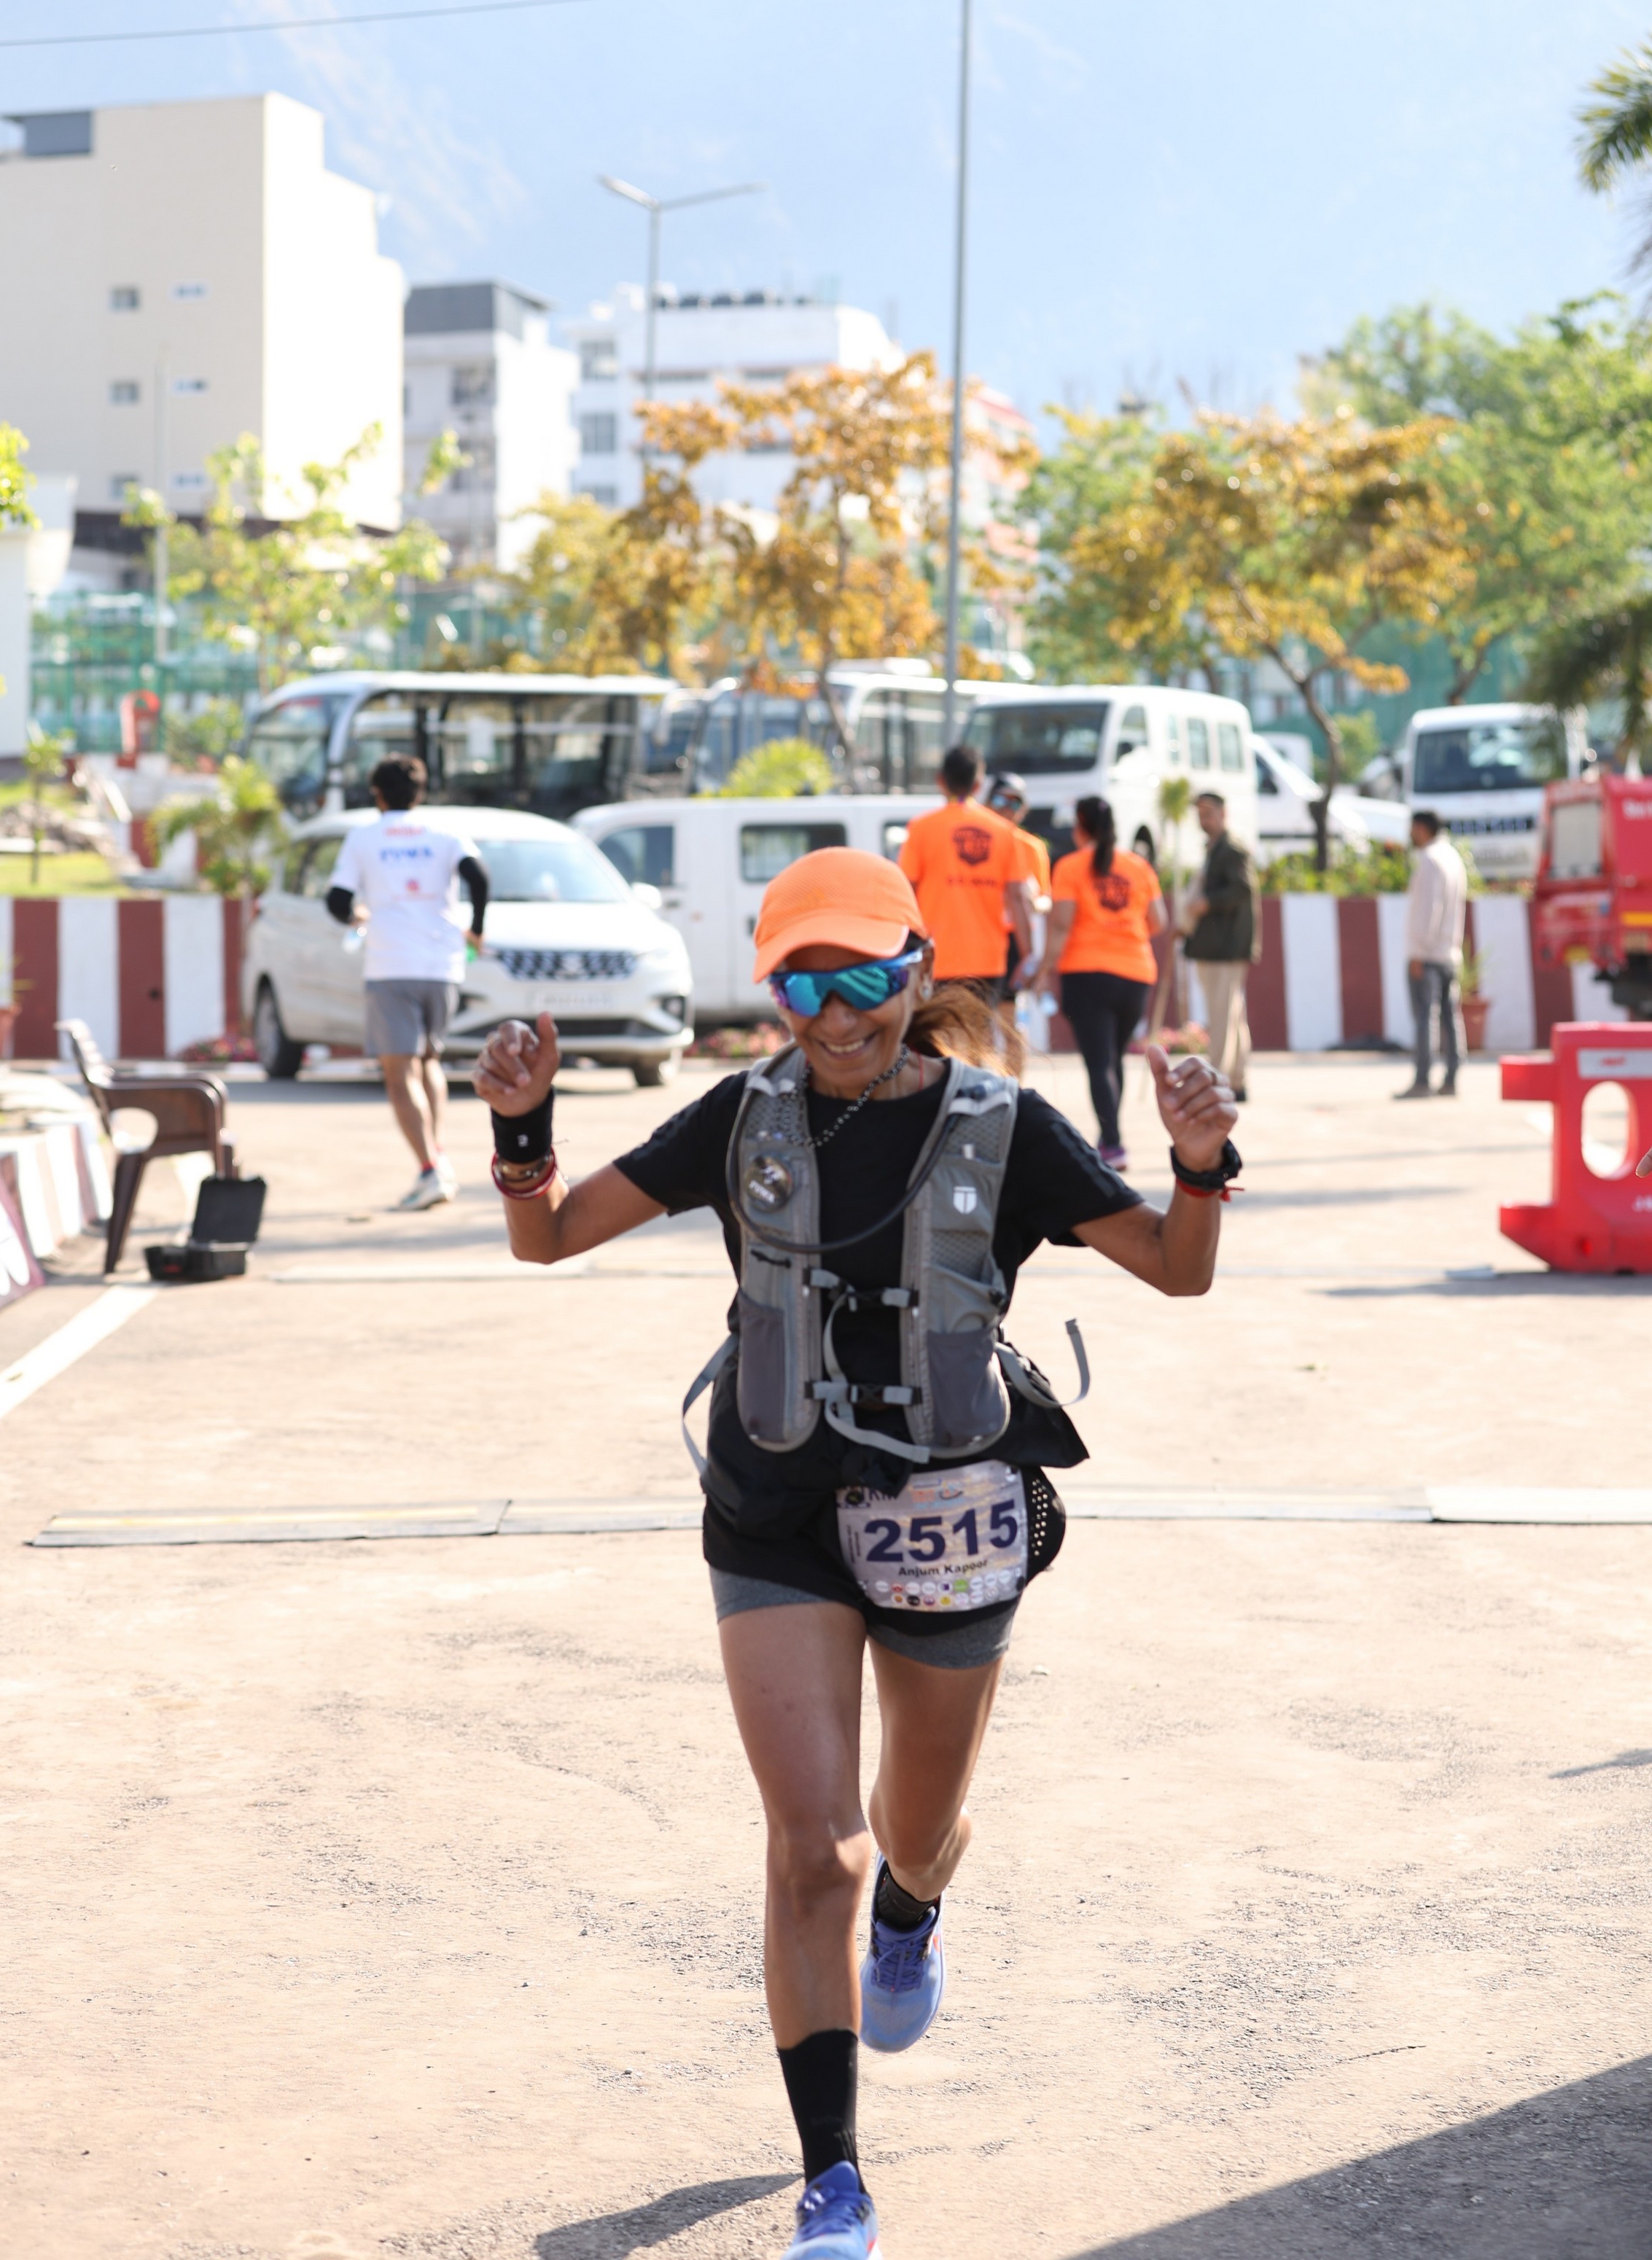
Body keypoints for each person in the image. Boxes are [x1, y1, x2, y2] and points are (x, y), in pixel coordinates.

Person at [477, 846, 1239, 2260]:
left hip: (950, 1507)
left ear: (918, 972)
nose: (838, 1016)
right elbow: (551, 1238)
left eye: (868, 980)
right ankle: (832, 2178)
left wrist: (1201, 1165)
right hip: (774, 1508)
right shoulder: (741, 1117)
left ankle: (915, 1910)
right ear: (772, 992)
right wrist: (525, 1127)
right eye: (805, 987)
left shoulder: (1004, 1126)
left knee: (913, 1831)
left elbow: (1176, 1268)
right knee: (809, 1847)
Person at [326, 753, 488, 1208]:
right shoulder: (445, 833)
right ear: (420, 792)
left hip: (391, 964)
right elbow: (479, 877)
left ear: (377, 794)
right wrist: (477, 928)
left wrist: (357, 916)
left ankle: (430, 1170)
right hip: (442, 965)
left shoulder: (364, 837)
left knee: (399, 1075)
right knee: (429, 1062)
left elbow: (337, 900)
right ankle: (438, 1158)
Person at [1018, 795, 1168, 1170]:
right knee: (1113, 1059)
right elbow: (1159, 922)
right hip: (1135, 973)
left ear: (1080, 827)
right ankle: (1109, 1137)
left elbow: (1061, 926)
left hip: (1087, 974)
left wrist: (1044, 971)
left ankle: (1113, 1143)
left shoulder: (1070, 867)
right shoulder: (1138, 866)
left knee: (1099, 1062)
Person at [897, 745, 1035, 1002]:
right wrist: (1028, 955)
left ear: (940, 780)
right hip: (987, 960)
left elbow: (905, 892)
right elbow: (1018, 897)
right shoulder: (1004, 831)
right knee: (979, 1028)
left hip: (935, 958)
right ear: (978, 785)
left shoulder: (921, 828)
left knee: (937, 1028)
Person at [1177, 791, 1261, 1104]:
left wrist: (1207, 903)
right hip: (1216, 946)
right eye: (1200, 814)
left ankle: (1220, 1080)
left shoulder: (1232, 850)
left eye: (1209, 813)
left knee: (1222, 1015)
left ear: (1223, 814)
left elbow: (1242, 889)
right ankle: (1235, 1080)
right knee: (1232, 1014)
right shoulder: (1215, 849)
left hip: (1225, 947)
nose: (1204, 820)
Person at [1400, 807, 1468, 1099]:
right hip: (1449, 951)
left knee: (1426, 1018)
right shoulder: (1453, 857)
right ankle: (1452, 1078)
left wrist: (1419, 952)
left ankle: (1423, 1080)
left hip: (1428, 954)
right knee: (1450, 1018)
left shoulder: (1430, 859)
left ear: (1422, 828)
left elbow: (1429, 911)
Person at [985, 772, 1051, 1003]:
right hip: (982, 933)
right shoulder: (979, 839)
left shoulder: (1032, 847)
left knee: (1009, 1010)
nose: (1007, 809)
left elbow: (1045, 897)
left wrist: (1032, 902)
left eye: (1015, 803)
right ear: (987, 803)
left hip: (1015, 937)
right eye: (1000, 800)